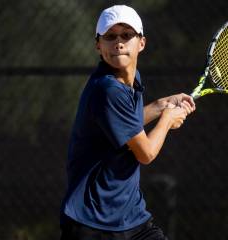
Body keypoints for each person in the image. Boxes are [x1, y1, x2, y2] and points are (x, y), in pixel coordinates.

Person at [60, 5, 196, 240]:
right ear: (98, 45)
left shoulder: (131, 81)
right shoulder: (107, 89)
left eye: (127, 35)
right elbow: (145, 153)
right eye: (110, 36)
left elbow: (125, 126)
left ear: (141, 43)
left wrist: (161, 105)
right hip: (93, 222)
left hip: (131, 218)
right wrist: (166, 120)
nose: (119, 43)